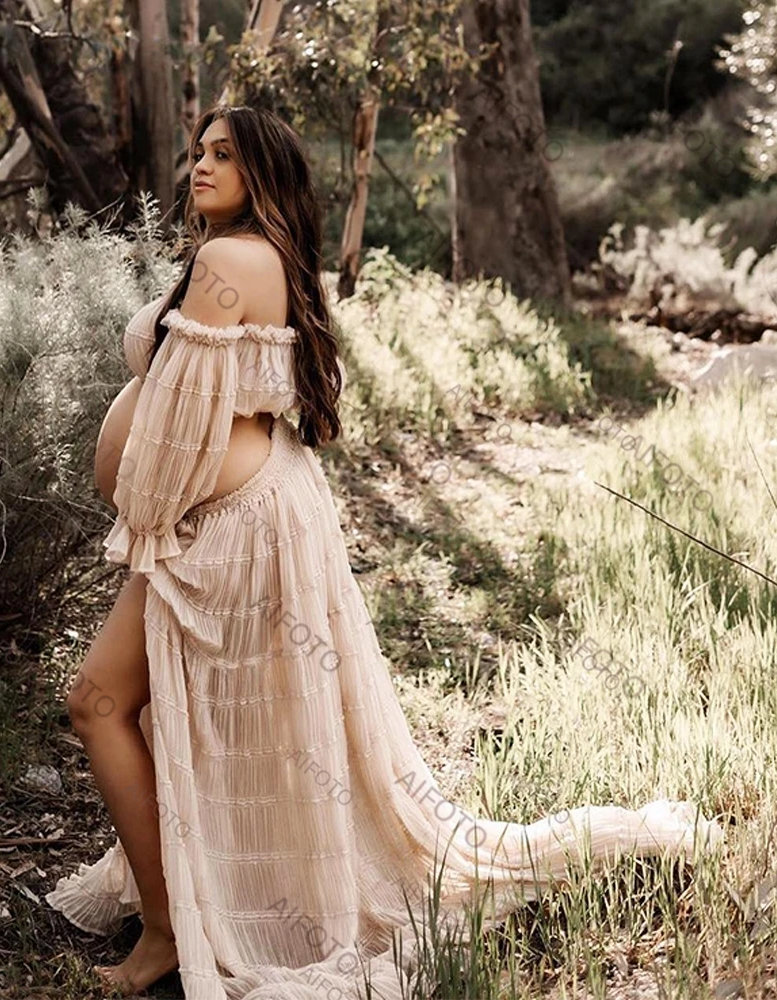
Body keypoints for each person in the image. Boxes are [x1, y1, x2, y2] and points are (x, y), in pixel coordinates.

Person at [45, 104, 724, 999]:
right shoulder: (243, 256)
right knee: (142, 706)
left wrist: (140, 523)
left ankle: (174, 930)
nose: (199, 166)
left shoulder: (227, 261)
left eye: (224, 155)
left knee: (102, 701)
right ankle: (195, 904)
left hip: (234, 530)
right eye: (198, 151)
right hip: (235, 517)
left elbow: (177, 430)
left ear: (264, 173)